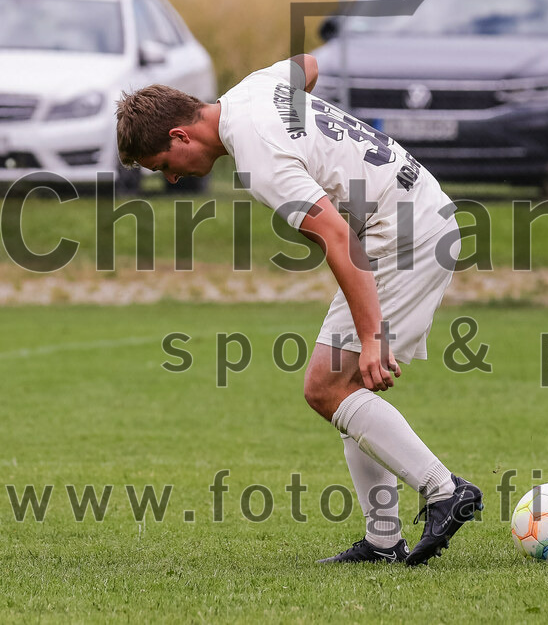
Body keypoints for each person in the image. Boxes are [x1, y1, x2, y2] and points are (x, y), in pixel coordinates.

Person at [116, 55, 482, 566]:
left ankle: (445, 491)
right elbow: (308, 65)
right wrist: (305, 128)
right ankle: (383, 541)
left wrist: (371, 336)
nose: (171, 178)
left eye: (162, 166)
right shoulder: (251, 89)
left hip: (407, 234)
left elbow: (338, 238)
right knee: (340, 386)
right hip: (412, 212)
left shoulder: (258, 157)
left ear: (180, 135)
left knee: (326, 388)